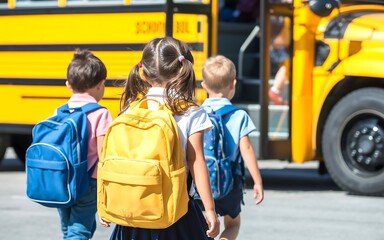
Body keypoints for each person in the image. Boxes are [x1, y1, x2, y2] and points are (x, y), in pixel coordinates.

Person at [99, 37, 220, 240]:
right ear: (182, 70)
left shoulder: (130, 109)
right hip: (177, 211)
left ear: (143, 73)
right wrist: (210, 209)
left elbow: (111, 159)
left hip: (133, 210)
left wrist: (105, 203)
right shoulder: (190, 112)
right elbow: (197, 161)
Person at [200, 55, 264, 240]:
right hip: (230, 185)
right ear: (233, 85)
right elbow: (247, 150)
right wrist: (257, 181)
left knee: (205, 226)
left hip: (201, 186)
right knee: (233, 224)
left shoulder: (197, 114)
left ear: (204, 86)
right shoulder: (239, 115)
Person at [58, 49, 113, 239]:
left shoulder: (59, 113)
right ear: (100, 85)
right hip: (89, 183)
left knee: (69, 230)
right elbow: (104, 156)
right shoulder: (101, 114)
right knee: (79, 231)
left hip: (62, 181)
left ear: (68, 85)